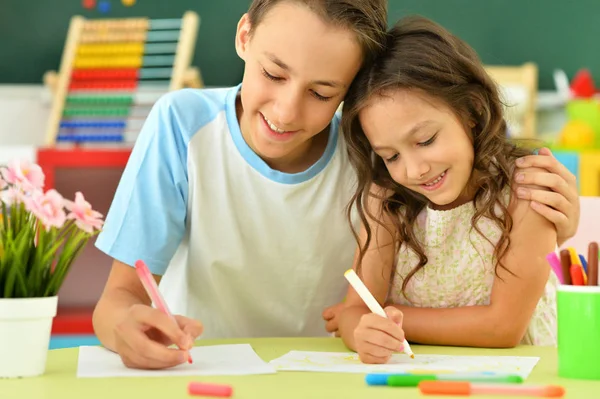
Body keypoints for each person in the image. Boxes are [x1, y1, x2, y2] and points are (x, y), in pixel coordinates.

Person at [92, 1, 579, 370]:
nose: (285, 112)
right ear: (244, 35)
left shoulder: (375, 146)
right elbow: (117, 301)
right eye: (273, 72)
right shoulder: (181, 125)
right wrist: (122, 328)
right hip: (207, 367)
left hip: (340, 374)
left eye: (323, 93)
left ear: (356, 88)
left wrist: (557, 224)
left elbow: (463, 213)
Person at [337, 16, 573, 364]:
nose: (414, 170)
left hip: (519, 378)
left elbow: (502, 328)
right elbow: (353, 311)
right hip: (418, 377)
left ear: (472, 111)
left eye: (426, 140)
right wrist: (362, 331)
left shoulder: (526, 190)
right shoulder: (389, 198)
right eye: (391, 156)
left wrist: (388, 315)